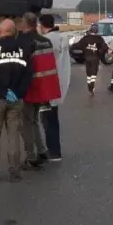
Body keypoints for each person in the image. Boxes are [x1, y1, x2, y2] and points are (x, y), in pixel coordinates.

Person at [0, 19, 33, 183]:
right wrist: (16, 93)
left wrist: (3, 91)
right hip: (15, 99)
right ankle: (14, 171)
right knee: (13, 135)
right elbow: (28, 75)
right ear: (14, 32)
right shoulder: (24, 50)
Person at [18, 12, 62, 169]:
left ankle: (31, 156)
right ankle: (42, 150)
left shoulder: (23, 41)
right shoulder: (45, 41)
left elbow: (21, 67)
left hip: (29, 88)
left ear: (24, 24)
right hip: (44, 88)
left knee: (26, 123)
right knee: (34, 120)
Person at [38, 14, 71, 162]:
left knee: (46, 120)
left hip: (49, 83)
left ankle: (51, 152)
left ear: (41, 25)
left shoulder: (47, 40)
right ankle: (56, 151)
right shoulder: (62, 38)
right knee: (53, 119)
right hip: (61, 82)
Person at [71, 23, 109, 95]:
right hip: (95, 58)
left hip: (87, 58)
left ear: (90, 30)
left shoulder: (86, 38)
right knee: (94, 73)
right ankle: (92, 85)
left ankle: (89, 86)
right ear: (97, 31)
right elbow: (105, 47)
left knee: (88, 73)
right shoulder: (99, 38)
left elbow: (78, 45)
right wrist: (101, 50)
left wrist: (71, 46)